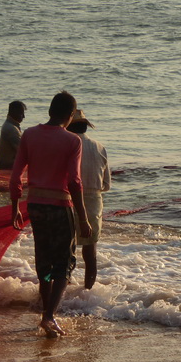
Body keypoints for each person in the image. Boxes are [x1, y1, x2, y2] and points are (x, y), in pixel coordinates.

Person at [10, 91, 92, 338]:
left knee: (44, 261)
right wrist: (83, 218)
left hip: (35, 206)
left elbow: (16, 176)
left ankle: (45, 313)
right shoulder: (72, 141)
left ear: (49, 112)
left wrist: (15, 206)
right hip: (60, 207)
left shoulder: (29, 135)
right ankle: (49, 316)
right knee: (64, 264)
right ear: (69, 116)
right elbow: (75, 183)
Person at [66, 108, 111, 289]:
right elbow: (106, 184)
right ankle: (88, 291)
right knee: (90, 251)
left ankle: (62, 287)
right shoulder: (99, 147)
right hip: (93, 201)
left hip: (68, 199)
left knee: (66, 249)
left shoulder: (66, 146)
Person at [0, 100, 27, 170]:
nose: (24, 116)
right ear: (14, 112)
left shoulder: (9, 125)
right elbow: (22, 151)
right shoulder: (12, 129)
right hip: (6, 168)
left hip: (2, 165)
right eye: (21, 114)